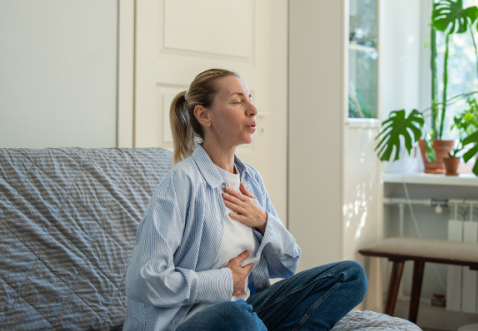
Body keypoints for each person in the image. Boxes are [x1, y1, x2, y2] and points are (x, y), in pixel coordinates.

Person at [123, 69, 367, 331]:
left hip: (250, 311)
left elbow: (287, 264)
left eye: (250, 98)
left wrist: (264, 222)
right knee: (235, 314)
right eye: (238, 101)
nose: (252, 109)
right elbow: (143, 280)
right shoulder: (181, 183)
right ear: (204, 115)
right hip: (189, 321)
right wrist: (223, 281)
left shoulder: (251, 180)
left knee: (351, 275)